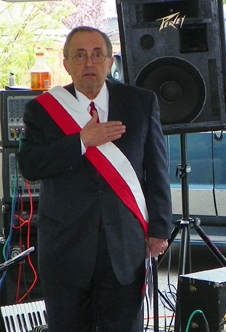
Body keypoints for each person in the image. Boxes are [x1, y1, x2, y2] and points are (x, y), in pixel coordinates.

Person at [17, 26, 172, 332]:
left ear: (109, 62)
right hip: (66, 248)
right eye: (80, 55)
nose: (89, 63)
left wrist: (159, 229)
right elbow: (30, 165)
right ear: (67, 64)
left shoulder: (140, 102)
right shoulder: (42, 110)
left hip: (124, 248)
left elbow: (156, 171)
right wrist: (81, 141)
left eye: (97, 55)